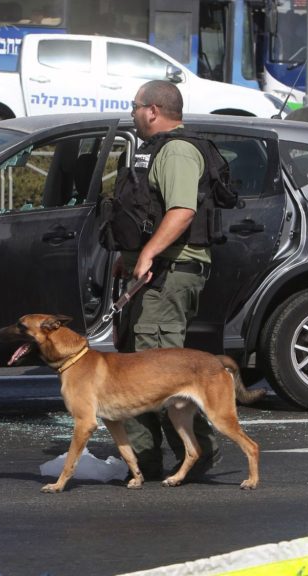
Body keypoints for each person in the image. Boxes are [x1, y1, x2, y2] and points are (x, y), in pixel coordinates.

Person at [112, 79, 220, 482]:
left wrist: (148, 252)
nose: (134, 112)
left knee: (160, 371)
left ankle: (199, 452)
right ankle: (144, 460)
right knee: (138, 365)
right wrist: (131, 258)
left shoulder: (177, 151)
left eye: (136, 105)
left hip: (170, 272)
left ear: (153, 110)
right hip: (155, 272)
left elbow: (181, 212)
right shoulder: (154, 149)